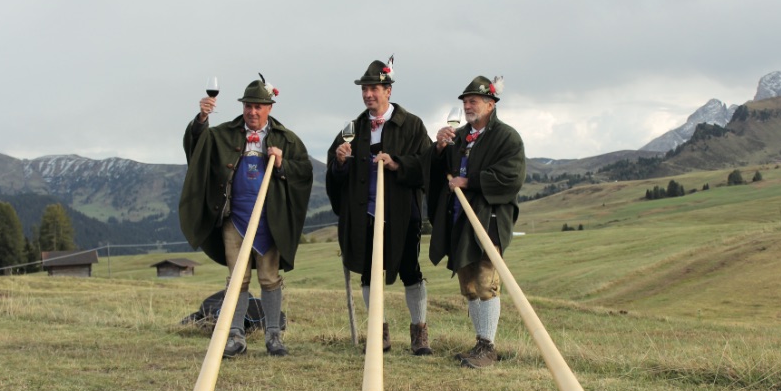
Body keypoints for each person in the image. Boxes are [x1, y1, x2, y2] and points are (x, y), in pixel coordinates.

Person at [180, 74, 313, 358]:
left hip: (269, 221)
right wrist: (201, 119)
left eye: (258, 106)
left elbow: (304, 172)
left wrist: (282, 163)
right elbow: (197, 147)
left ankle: (273, 336)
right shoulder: (222, 135)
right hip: (235, 220)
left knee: (269, 278)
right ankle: (235, 336)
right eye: (248, 106)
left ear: (269, 108)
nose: (252, 111)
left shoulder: (287, 139)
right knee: (237, 279)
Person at [326, 57, 432, 355]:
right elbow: (335, 174)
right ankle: (378, 333)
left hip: (402, 213)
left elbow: (426, 165)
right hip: (365, 214)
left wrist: (398, 163)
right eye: (364, 89)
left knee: (410, 270)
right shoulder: (353, 127)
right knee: (368, 272)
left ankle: (419, 332)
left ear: (388, 91)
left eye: (374, 89)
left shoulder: (412, 125)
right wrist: (340, 161)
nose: (368, 94)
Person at [423, 75, 526, 368]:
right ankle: (480, 343)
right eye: (465, 101)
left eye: (474, 101)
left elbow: (512, 176)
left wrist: (470, 181)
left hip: (489, 219)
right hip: (460, 219)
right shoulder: (459, 137)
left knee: (486, 282)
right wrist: (439, 148)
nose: (468, 106)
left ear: (490, 104)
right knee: (468, 284)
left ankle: (488, 348)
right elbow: (440, 170)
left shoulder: (507, 137)